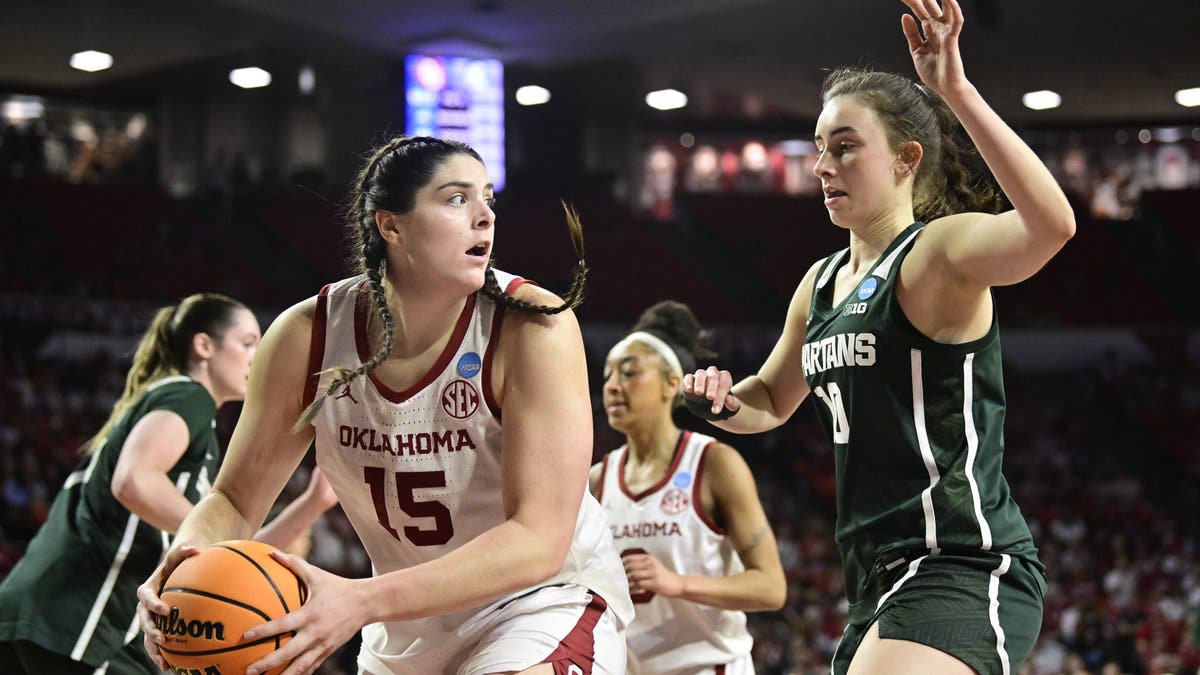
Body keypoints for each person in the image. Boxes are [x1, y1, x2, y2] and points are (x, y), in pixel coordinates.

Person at [137, 135, 634, 675]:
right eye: (455, 199)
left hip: (538, 602)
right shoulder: (307, 336)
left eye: (488, 197)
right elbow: (233, 499)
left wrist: (360, 598)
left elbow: (538, 541)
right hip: (403, 624)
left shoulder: (532, 324)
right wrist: (184, 565)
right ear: (390, 226)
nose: (485, 216)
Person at [682, 1, 1076, 673]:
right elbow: (771, 400)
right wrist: (717, 399)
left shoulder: (936, 252)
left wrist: (956, 91)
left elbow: (1051, 226)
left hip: (961, 561)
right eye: (818, 150)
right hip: (874, 581)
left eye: (844, 146)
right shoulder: (821, 281)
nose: (822, 166)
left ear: (905, 158)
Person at [0, 293, 338, 674]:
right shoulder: (188, 394)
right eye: (247, 343)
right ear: (204, 346)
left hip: (42, 613)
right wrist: (210, 542)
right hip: (80, 615)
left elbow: (237, 550)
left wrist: (313, 503)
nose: (257, 356)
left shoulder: (189, 423)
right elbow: (134, 479)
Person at [590, 301, 786, 675]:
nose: (613, 386)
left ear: (671, 384)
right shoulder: (597, 480)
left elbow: (771, 587)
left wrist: (677, 583)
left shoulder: (714, 463)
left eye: (629, 373)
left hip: (707, 667)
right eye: (607, 376)